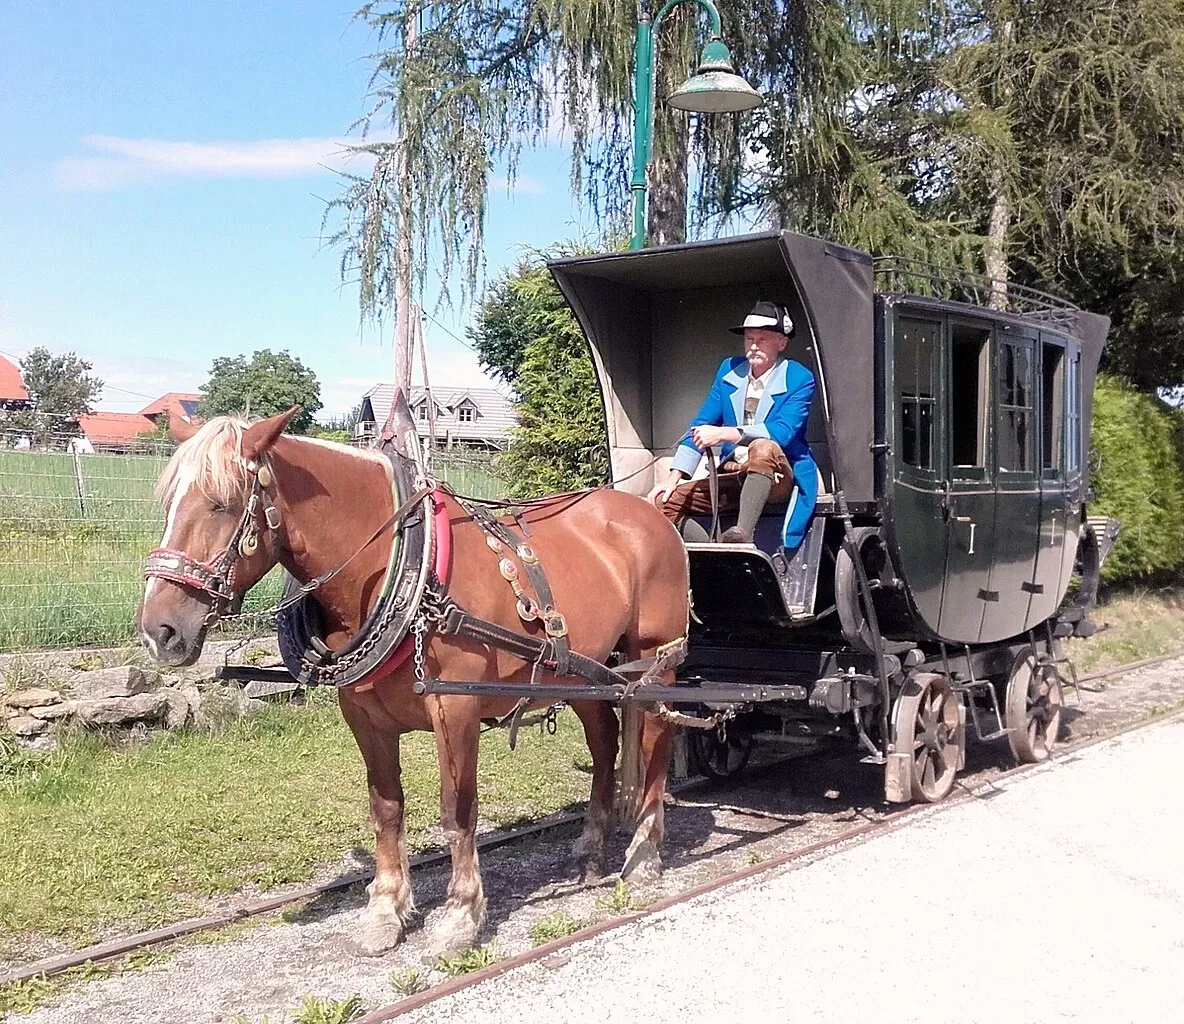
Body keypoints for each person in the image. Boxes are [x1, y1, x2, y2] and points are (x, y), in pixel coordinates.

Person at [648, 300, 818, 550]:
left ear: (782, 343)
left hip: (777, 475)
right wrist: (672, 479)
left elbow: (781, 432)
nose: (754, 345)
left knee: (763, 447)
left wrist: (725, 434)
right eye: (750, 338)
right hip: (733, 471)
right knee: (665, 503)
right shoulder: (729, 371)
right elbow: (700, 425)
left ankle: (742, 539)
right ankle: (717, 553)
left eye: (763, 338)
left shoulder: (799, 377)